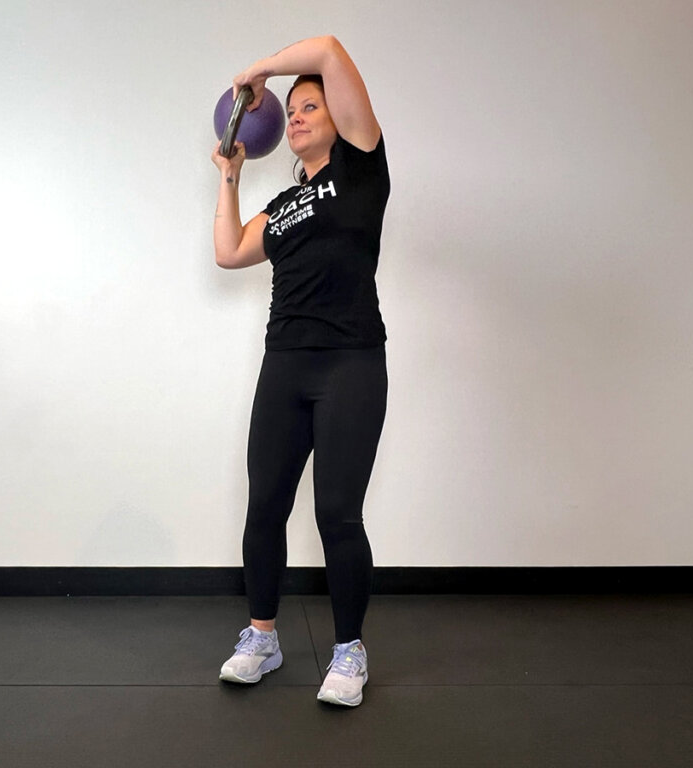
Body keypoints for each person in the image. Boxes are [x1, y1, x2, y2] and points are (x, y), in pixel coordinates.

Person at [211, 35, 389, 708]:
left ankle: (349, 651)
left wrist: (259, 70)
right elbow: (229, 252)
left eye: (310, 105)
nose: (299, 115)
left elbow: (335, 49)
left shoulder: (363, 167)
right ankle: (263, 637)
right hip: (284, 365)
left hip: (351, 362)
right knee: (265, 506)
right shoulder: (283, 206)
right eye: (292, 111)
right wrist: (229, 173)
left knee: (338, 513)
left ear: (338, 118)